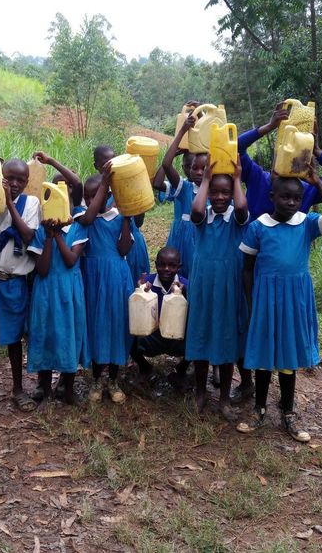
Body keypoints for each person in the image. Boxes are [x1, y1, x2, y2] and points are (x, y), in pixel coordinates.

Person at [232, 103, 322, 406]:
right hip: (254, 266)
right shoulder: (260, 179)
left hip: (287, 279)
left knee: (282, 335)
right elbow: (237, 147)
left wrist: (318, 152)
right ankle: (246, 383)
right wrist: (269, 126)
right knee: (248, 325)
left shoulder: (304, 190)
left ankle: (283, 402)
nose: (290, 201)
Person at [236, 167, 322, 441]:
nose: (292, 203)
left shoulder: (306, 223)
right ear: (272, 197)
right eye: (285, 197)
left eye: (297, 198)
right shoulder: (258, 227)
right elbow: (247, 269)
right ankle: (259, 409)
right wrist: (251, 301)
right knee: (263, 354)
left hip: (295, 299)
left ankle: (288, 412)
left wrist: (318, 184)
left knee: (288, 353)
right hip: (265, 297)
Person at [0, 159, 41, 411]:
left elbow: (28, 236)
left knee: (14, 338)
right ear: (1, 177)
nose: (13, 184)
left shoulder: (30, 204)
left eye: (19, 180)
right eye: (9, 178)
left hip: (13, 282)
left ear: (26, 182)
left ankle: (18, 389)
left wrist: (10, 205)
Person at [185, 161, 248, 419]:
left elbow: (242, 207)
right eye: (214, 192)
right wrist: (206, 180)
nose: (220, 197)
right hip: (203, 283)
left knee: (226, 336)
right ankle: (201, 392)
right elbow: (196, 209)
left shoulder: (236, 218)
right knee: (200, 332)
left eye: (226, 192)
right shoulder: (204, 216)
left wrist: (237, 179)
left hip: (228, 285)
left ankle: (224, 399)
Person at [76, 166, 133, 404]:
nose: (92, 200)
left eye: (97, 195)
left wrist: (127, 217)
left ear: (110, 195)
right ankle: (97, 380)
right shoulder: (83, 217)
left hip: (116, 278)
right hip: (92, 277)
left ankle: (114, 379)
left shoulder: (119, 217)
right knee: (96, 325)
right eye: (88, 196)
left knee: (117, 323)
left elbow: (123, 249)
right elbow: (89, 216)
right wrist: (104, 184)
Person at [26, 213, 89, 407]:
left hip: (69, 290)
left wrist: (58, 234)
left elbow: (70, 260)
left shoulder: (78, 229)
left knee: (70, 336)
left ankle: (68, 390)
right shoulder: (40, 232)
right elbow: (42, 269)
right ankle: (46, 391)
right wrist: (48, 237)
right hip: (46, 291)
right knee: (45, 335)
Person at [152, 113, 208, 279]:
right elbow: (166, 165)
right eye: (193, 168)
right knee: (178, 276)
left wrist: (203, 117)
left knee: (198, 275)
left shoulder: (216, 191)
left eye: (203, 168)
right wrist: (182, 130)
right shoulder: (185, 188)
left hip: (203, 240)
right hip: (181, 238)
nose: (198, 172)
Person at [130, 247, 190, 391]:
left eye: (172, 265)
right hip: (152, 336)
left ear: (179, 267)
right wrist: (141, 293)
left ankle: (181, 371)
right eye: (162, 264)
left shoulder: (186, 285)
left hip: (178, 338)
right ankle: (145, 367)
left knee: (198, 339)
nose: (166, 269)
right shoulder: (147, 282)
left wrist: (184, 293)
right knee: (128, 334)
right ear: (156, 264)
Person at [94, 144, 150, 285]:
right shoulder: (95, 192)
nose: (111, 167)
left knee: (137, 284)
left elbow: (138, 222)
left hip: (133, 243)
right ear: (96, 166)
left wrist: (137, 194)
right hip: (110, 249)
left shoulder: (128, 185)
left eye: (113, 161)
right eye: (105, 164)